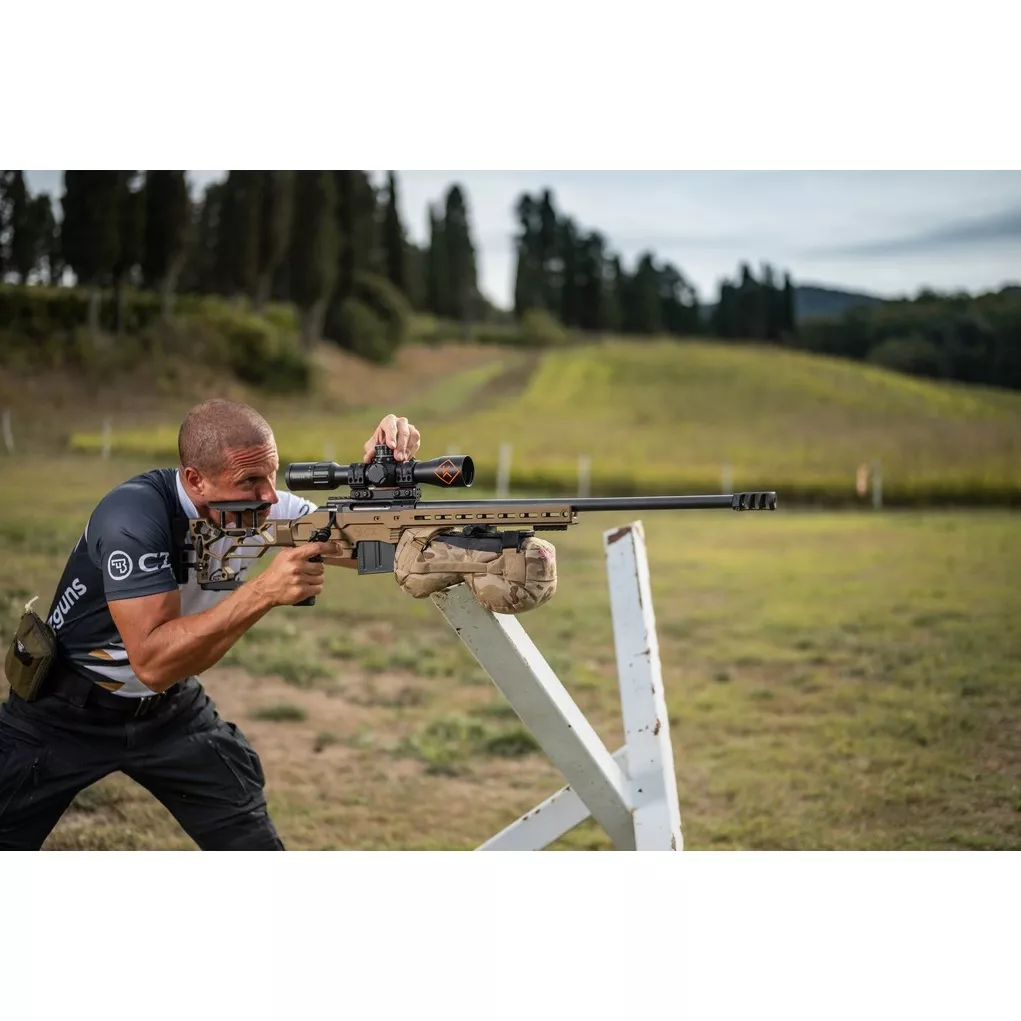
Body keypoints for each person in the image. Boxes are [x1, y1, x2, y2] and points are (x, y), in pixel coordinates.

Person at [0, 400, 421, 851]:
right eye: (249, 482)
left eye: (272, 475)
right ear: (194, 479)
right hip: (65, 709)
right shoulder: (133, 517)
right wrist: (263, 592)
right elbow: (153, 661)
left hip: (170, 709)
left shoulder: (263, 506)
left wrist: (380, 486)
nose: (270, 498)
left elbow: (374, 544)